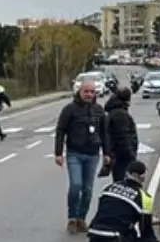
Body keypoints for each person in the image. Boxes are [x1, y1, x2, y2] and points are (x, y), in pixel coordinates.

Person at [54, 81, 109, 234]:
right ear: (80, 92)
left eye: (92, 92)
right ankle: (72, 218)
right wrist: (58, 153)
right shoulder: (70, 109)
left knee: (88, 189)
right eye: (86, 91)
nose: (89, 95)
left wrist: (107, 153)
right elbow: (61, 131)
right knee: (76, 185)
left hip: (93, 155)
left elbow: (104, 133)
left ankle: (81, 218)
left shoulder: (99, 110)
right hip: (74, 154)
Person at [85, 161, 158, 242]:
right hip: (115, 237)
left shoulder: (108, 188)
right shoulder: (144, 198)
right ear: (143, 177)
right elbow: (146, 231)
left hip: (95, 233)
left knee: (131, 232)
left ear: (127, 173)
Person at [103, 87, 139, 183]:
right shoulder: (120, 114)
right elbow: (123, 136)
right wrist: (131, 154)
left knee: (119, 181)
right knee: (124, 183)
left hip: (117, 153)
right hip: (122, 155)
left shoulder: (114, 111)